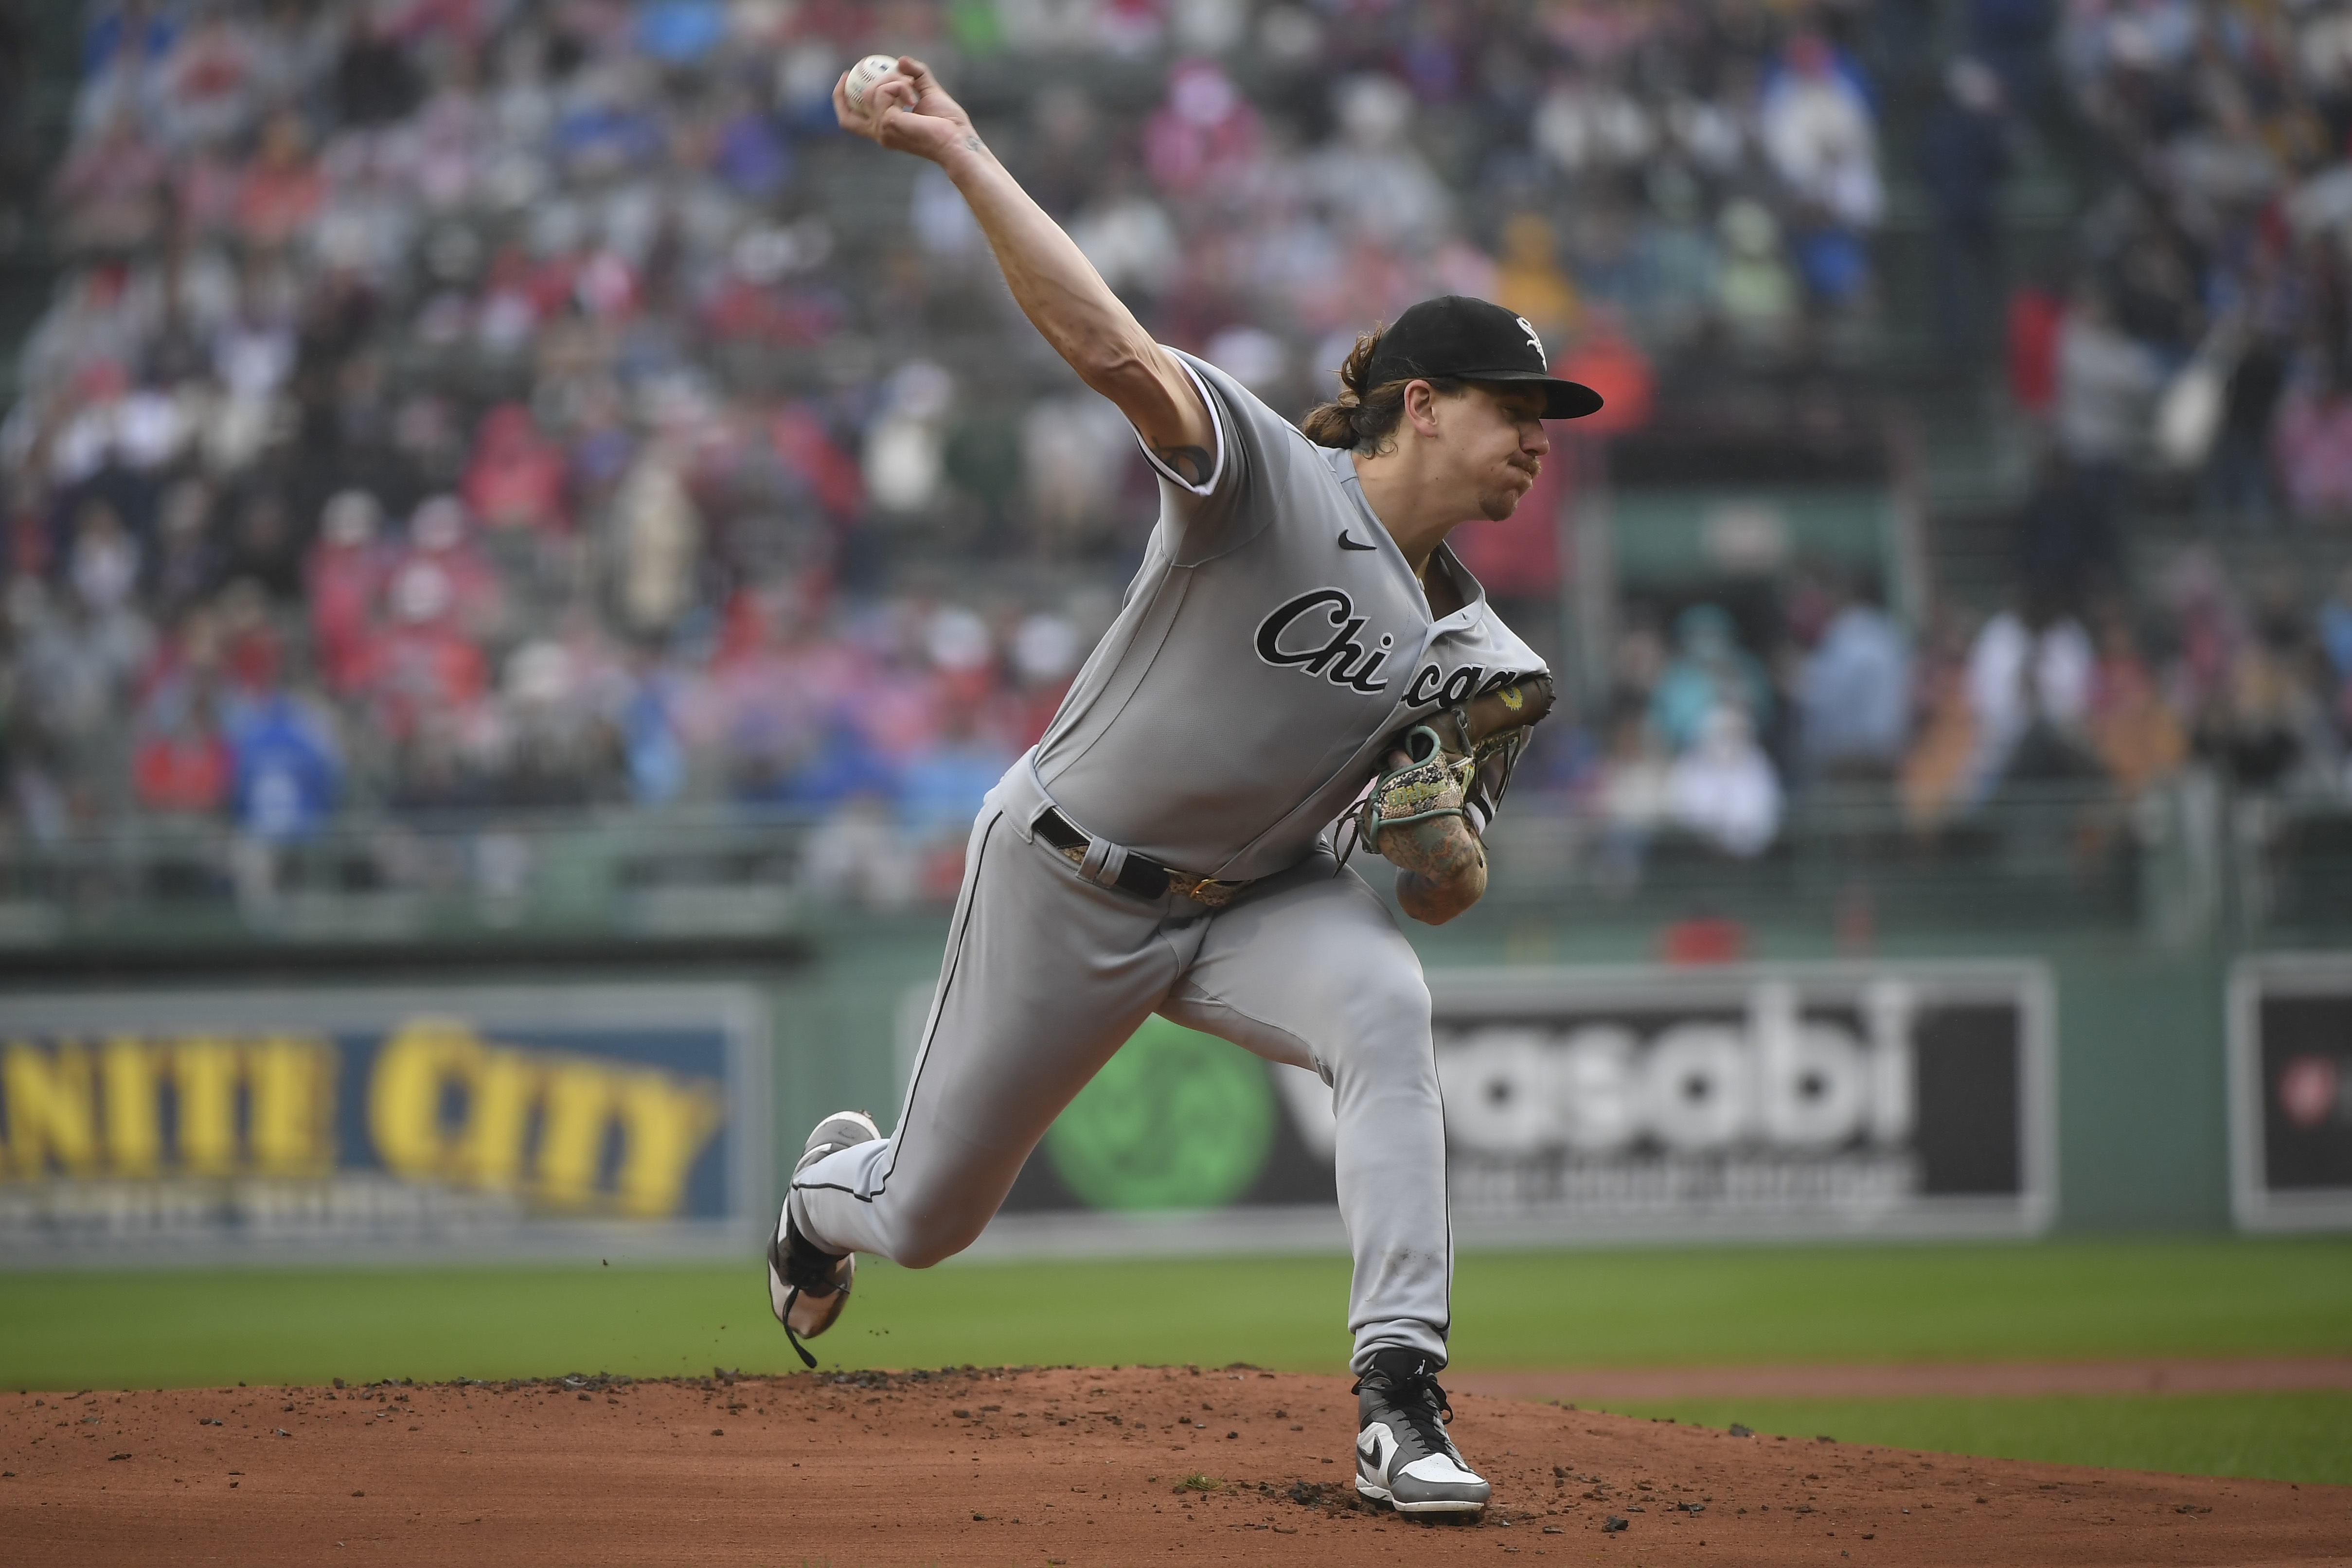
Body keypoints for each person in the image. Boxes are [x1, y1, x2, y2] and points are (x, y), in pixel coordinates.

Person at [769, 56, 1602, 1519]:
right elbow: (1106, 346)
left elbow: (1446, 893)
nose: (1540, 435)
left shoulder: (1488, 653)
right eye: (1513, 404)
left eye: (1547, 411)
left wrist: (1442, 846)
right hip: (1067, 874)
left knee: (1390, 1008)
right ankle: (819, 1200)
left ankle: (1398, 1401)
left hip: (1260, 904)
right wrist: (962, 147)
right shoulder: (1271, 484)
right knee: (926, 1221)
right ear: (1421, 404)